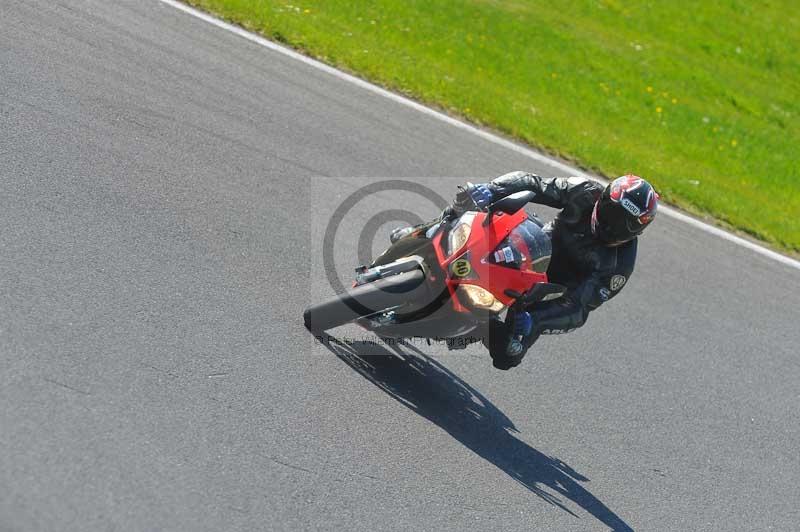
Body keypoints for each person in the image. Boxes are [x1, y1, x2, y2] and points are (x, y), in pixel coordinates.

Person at [391, 171, 659, 370]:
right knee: (475, 208)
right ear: (603, 199)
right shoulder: (585, 191)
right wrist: (493, 189)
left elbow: (578, 308)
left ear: (638, 231)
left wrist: (536, 320)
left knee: (508, 355)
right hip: (535, 244)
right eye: (612, 215)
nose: (613, 227)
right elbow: (534, 183)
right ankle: (425, 232)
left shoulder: (618, 267)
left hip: (546, 289)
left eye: (624, 225)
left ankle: (474, 326)